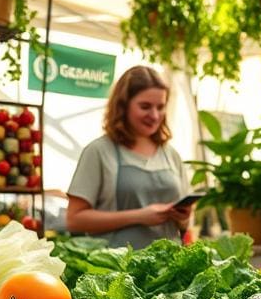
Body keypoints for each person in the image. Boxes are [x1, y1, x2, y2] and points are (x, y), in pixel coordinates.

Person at [66, 65, 193, 249]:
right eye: (145, 107)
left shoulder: (171, 155)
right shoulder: (99, 151)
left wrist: (183, 218)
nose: (155, 115)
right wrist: (139, 216)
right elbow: (74, 220)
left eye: (160, 107)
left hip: (169, 269)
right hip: (116, 270)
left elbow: (185, 225)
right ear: (123, 105)